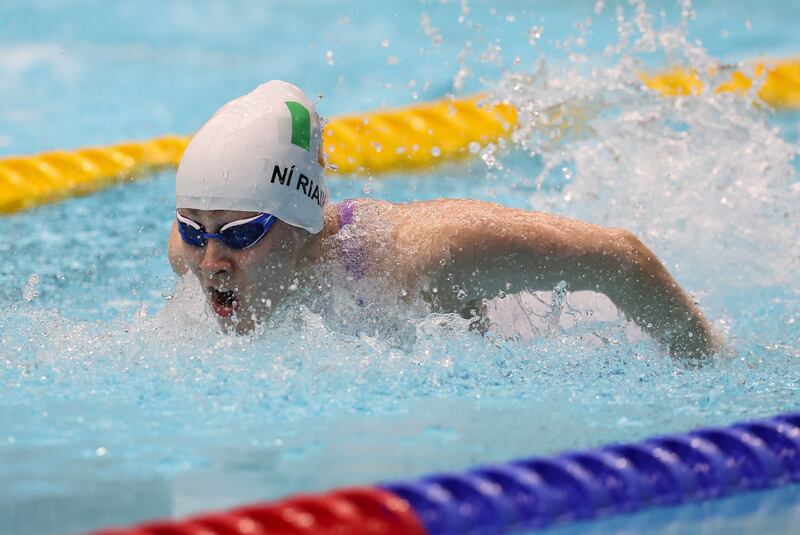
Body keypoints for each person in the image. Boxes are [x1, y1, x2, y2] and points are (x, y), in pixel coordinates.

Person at [168, 80, 721, 359]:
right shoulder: (196, 250)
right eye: (195, 230)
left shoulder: (420, 253)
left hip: (543, 334)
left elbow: (620, 257)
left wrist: (707, 367)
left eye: (241, 235)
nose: (211, 263)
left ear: (301, 219)